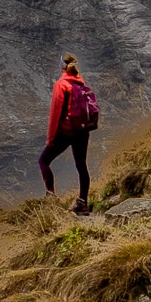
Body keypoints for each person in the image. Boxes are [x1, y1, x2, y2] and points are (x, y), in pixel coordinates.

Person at [39, 53, 95, 214]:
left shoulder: (61, 84)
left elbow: (55, 113)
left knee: (43, 160)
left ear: (62, 68)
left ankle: (51, 197)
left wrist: (51, 138)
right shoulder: (80, 83)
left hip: (67, 131)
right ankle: (83, 203)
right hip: (83, 130)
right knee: (81, 165)